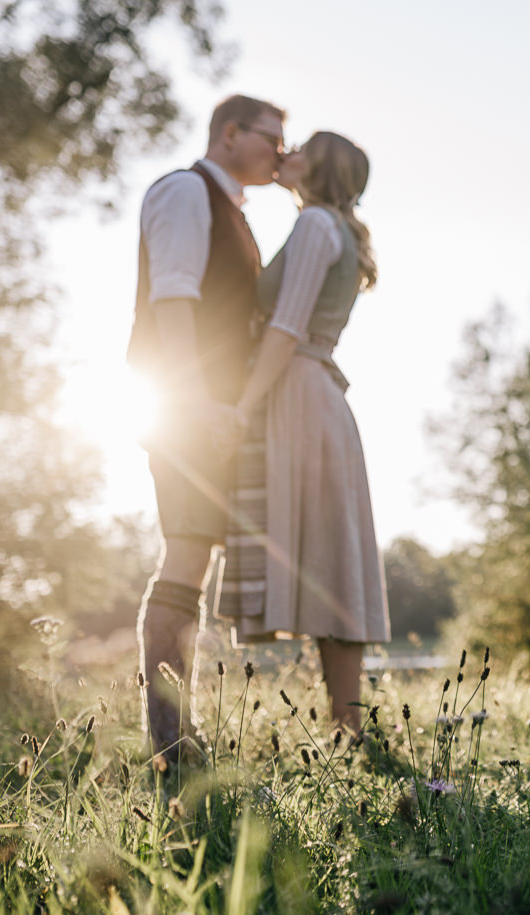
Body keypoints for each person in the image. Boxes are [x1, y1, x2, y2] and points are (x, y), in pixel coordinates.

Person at [127, 94, 287, 766]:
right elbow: (173, 298)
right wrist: (194, 402)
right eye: (272, 138)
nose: (281, 152)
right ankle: (170, 740)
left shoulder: (231, 211)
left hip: (209, 410)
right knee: (187, 553)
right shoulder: (185, 193)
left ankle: (178, 731)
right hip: (185, 406)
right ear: (229, 133)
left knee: (196, 555)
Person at [216, 131, 390, 736]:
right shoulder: (327, 226)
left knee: (326, 556)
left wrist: (242, 406)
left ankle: (348, 727)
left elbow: (284, 328)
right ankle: (349, 728)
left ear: (322, 168)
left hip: (296, 394)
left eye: (302, 146)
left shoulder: (317, 225)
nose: (286, 151)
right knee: (328, 554)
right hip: (312, 394)